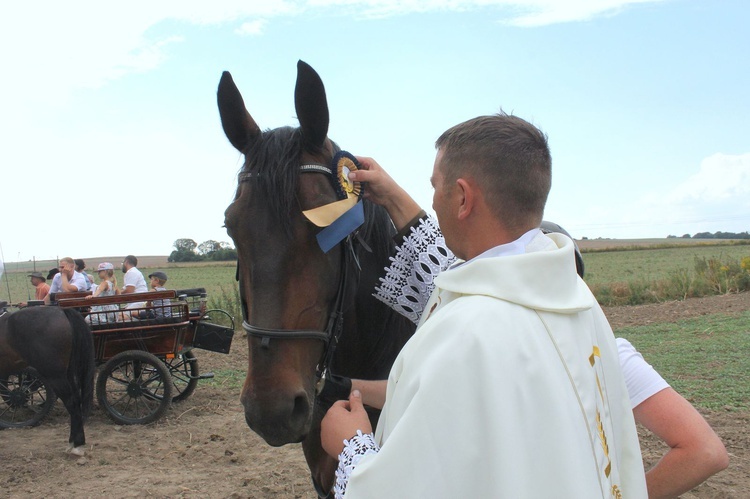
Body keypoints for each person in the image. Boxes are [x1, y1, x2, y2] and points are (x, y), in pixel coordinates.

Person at [325, 149, 729, 497]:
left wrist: (353, 450)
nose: (432, 202)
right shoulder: (583, 313)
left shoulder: (467, 331)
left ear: (463, 197)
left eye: (436, 187)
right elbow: (456, 269)